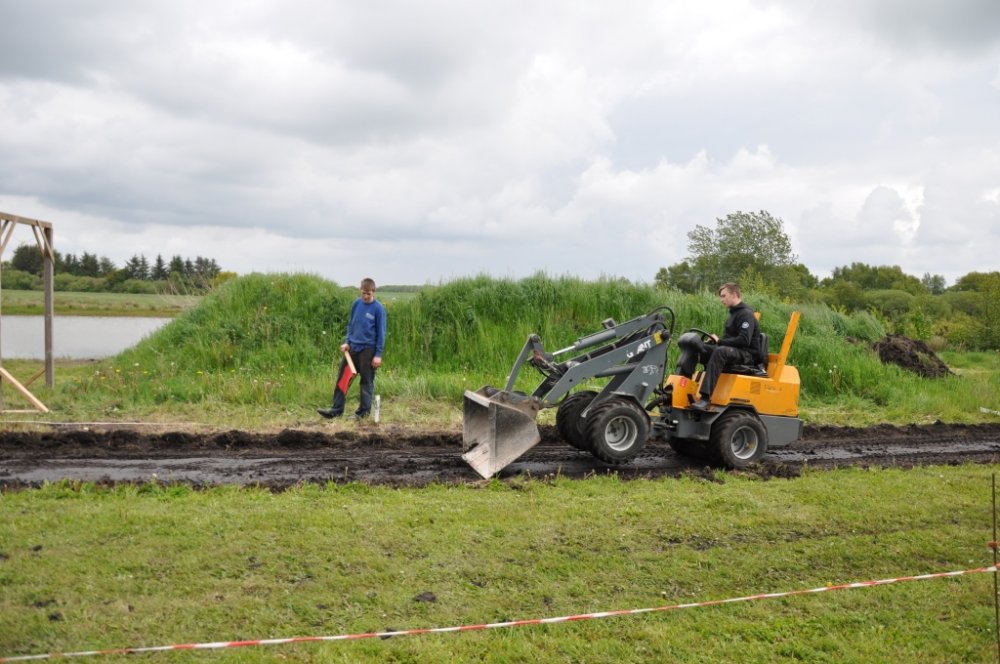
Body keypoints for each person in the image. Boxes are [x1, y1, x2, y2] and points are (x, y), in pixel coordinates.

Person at [318, 278, 386, 420]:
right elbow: (351, 324)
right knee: (343, 378)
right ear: (360, 290)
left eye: (368, 293)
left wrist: (378, 354)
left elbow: (381, 333)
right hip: (352, 350)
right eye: (363, 293)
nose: (365, 296)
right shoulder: (356, 304)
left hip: (368, 351)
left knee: (366, 382)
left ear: (373, 291)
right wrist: (347, 342)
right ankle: (336, 410)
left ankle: (362, 414)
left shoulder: (378, 309)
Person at [689, 282, 762, 410]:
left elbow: (744, 340)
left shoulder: (745, 314)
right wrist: (714, 342)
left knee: (721, 351)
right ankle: (686, 387)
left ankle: (705, 398)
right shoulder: (733, 315)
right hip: (734, 351)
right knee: (699, 349)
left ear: (734, 294)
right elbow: (729, 340)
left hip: (747, 355)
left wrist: (720, 341)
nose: (721, 300)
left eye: (723, 296)